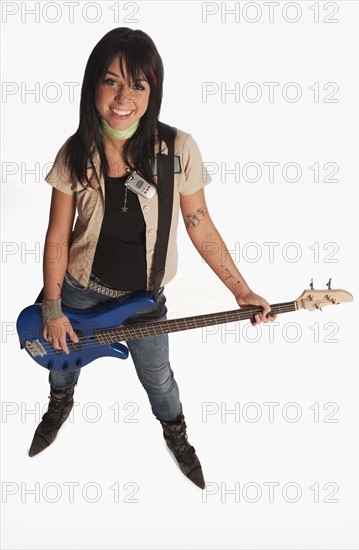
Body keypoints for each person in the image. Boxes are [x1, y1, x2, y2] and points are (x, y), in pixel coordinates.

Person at [28, 27, 277, 489]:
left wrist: (241, 291)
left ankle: (176, 435)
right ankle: (60, 403)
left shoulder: (177, 150)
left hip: (146, 299)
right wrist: (54, 307)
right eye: (112, 81)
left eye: (138, 84)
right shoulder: (76, 151)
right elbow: (57, 237)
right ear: (93, 86)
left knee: (159, 380)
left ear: (153, 90)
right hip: (81, 292)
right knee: (62, 363)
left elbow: (200, 223)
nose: (124, 97)